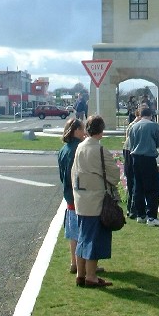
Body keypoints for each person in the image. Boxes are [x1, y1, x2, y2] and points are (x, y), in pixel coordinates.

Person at [71, 115, 119, 288]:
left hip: (81, 199)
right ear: (101, 130)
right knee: (94, 240)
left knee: (83, 237)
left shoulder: (79, 147)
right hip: (96, 200)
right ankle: (91, 276)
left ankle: (80, 274)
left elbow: (73, 173)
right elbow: (114, 175)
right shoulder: (99, 150)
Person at [58, 117, 98, 275]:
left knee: (73, 232)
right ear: (76, 131)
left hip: (68, 194)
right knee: (85, 232)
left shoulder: (64, 149)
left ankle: (74, 263)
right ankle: (85, 266)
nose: (85, 132)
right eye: (82, 129)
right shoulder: (78, 148)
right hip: (79, 194)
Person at [128, 106, 159, 226]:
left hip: (135, 158)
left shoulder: (133, 126)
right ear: (151, 115)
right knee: (152, 188)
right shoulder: (154, 125)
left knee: (138, 186)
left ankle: (141, 215)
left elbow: (131, 143)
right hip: (148, 158)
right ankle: (152, 216)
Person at [123, 108, 141, 218]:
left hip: (127, 151)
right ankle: (134, 209)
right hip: (132, 153)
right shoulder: (136, 126)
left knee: (131, 183)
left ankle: (131, 208)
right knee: (134, 182)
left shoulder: (132, 125)